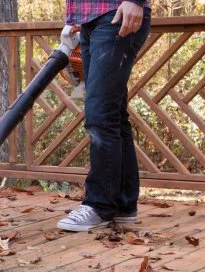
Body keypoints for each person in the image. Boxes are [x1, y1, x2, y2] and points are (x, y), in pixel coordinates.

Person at [56, 0, 152, 232]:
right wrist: (73, 19)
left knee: (100, 116)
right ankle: (123, 205)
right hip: (91, 20)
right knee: (113, 115)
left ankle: (99, 205)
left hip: (117, 13)